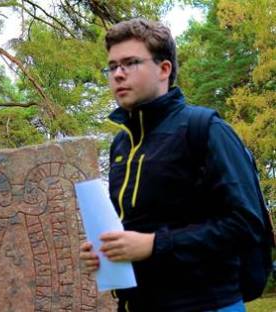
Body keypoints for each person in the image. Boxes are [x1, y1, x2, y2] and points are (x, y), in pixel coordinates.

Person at [79, 18, 266, 312]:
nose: (118, 74)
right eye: (112, 66)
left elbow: (246, 225)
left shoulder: (205, 129)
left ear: (164, 69)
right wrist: (107, 251)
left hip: (207, 304)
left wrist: (155, 244)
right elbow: (134, 228)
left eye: (130, 63)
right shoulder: (121, 145)